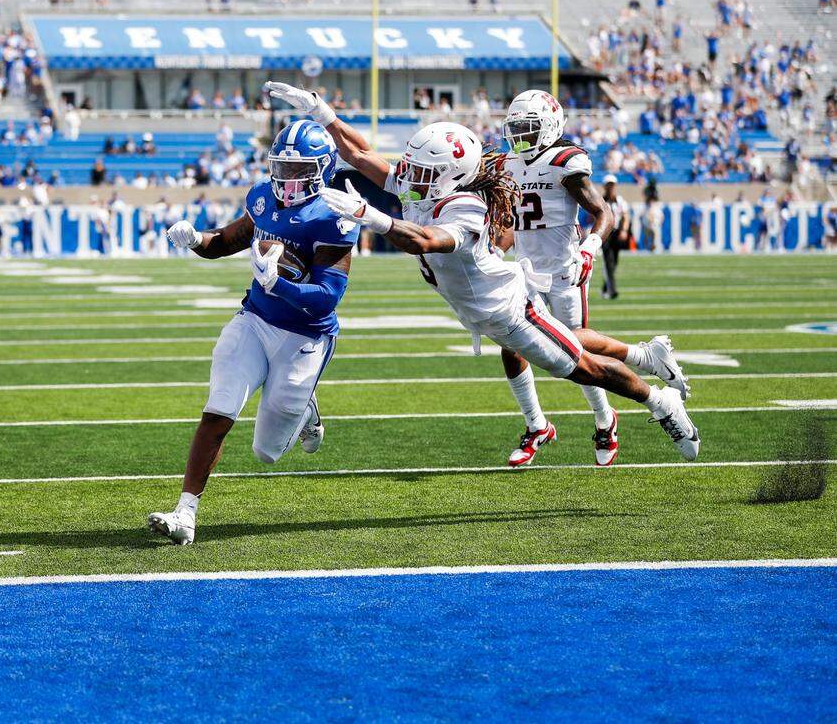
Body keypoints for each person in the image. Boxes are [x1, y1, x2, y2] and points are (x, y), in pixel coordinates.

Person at [265, 82, 700, 468]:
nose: (408, 177)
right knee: (574, 346)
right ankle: (640, 363)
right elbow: (360, 155)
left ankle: (661, 403)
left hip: (510, 311)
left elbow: (426, 241)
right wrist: (323, 114)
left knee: (581, 367)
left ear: (450, 175)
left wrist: (372, 218)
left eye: (420, 171)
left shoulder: (465, 206)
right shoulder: (423, 186)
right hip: (485, 309)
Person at [147, 120, 360, 545]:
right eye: (282, 168)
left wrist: (276, 283)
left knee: (266, 451)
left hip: (305, 336)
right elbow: (228, 240)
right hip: (256, 320)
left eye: (300, 171)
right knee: (218, 408)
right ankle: (185, 512)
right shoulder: (263, 198)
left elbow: (326, 298)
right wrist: (196, 240)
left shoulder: (334, 215)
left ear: (324, 170)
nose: (288, 179)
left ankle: (305, 409)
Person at [498, 89, 623, 466]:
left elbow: (604, 215)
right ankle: (536, 424)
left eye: (528, 127)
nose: (521, 135)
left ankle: (605, 419)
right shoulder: (508, 164)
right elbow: (513, 223)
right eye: (516, 127)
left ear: (550, 126)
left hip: (565, 272)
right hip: (525, 273)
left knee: (576, 354)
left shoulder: (563, 162)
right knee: (510, 346)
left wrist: (590, 248)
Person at [599, 174, 630, 299]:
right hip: (606, 233)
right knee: (608, 262)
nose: (610, 187)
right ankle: (612, 291)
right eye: (608, 185)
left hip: (617, 233)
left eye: (612, 185)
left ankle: (605, 288)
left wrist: (624, 230)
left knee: (614, 262)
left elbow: (626, 216)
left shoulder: (620, 201)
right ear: (604, 186)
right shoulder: (600, 200)